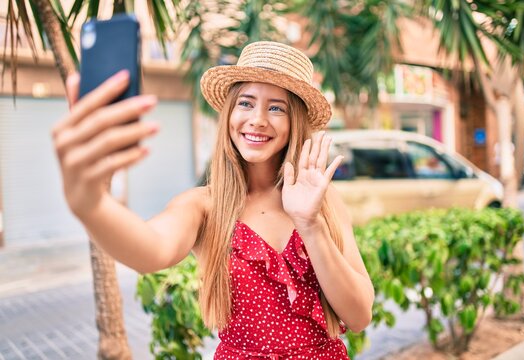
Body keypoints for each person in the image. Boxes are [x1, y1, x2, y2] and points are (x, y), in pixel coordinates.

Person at [53, 41, 374, 359]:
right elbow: (150, 249)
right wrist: (91, 203)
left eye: (277, 107)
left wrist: (310, 224)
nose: (258, 119)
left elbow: (359, 316)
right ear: (230, 113)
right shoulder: (204, 206)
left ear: (295, 123)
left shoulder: (322, 202)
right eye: (246, 103)